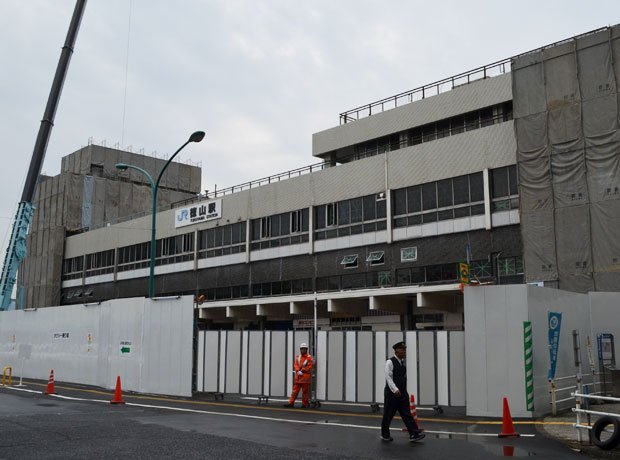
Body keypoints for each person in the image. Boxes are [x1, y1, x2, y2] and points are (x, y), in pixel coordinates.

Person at [381, 341, 425, 443]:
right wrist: (395, 389)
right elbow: (388, 377)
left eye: (405, 350)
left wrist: (404, 391)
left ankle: (414, 434)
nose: (405, 352)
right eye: (403, 350)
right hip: (392, 393)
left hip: (402, 393)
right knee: (388, 414)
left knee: (407, 413)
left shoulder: (402, 363)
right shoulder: (390, 362)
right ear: (397, 351)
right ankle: (385, 435)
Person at [284, 342, 313, 408]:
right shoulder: (298, 357)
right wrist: (298, 370)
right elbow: (295, 365)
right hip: (298, 377)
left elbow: (309, 366)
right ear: (300, 349)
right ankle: (291, 403)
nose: (303, 350)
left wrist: (302, 370)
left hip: (305, 377)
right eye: (302, 349)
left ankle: (304, 404)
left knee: (305, 392)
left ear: (306, 349)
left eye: (304, 349)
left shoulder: (309, 357)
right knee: (294, 391)